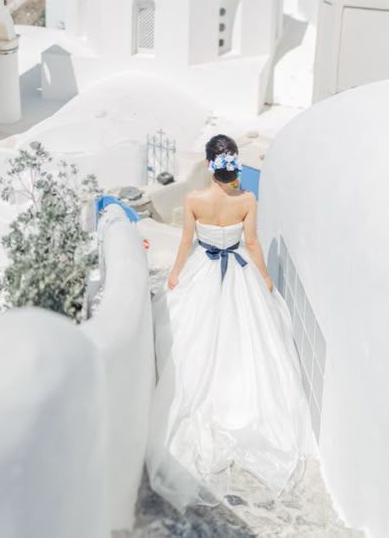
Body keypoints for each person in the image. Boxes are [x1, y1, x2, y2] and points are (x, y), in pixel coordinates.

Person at [146, 134, 314, 510]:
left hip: (204, 269)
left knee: (196, 337)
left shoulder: (193, 199)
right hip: (238, 271)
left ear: (209, 165)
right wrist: (265, 279)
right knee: (247, 341)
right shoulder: (247, 200)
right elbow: (251, 243)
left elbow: (186, 241)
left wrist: (174, 275)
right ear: (234, 166)